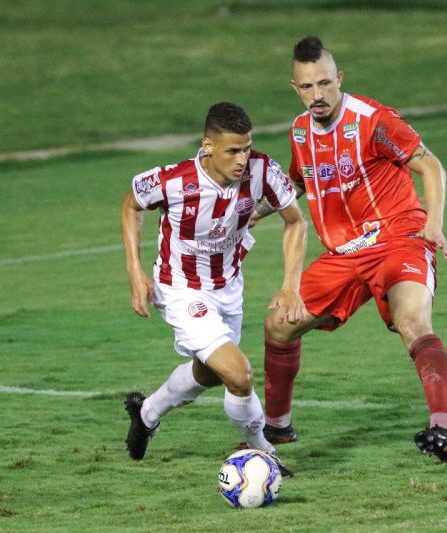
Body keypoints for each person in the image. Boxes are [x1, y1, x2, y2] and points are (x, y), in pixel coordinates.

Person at [251, 37, 447, 462]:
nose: (318, 95)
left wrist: (433, 224)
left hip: (397, 236)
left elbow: (430, 164)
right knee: (278, 324)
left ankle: (442, 429)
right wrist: (257, 210)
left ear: (339, 79)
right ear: (295, 87)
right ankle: (276, 430)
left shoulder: (374, 119)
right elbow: (297, 185)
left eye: (325, 84)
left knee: (412, 321)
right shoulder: (299, 132)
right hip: (344, 254)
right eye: (308, 87)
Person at [121, 102, 307, 475]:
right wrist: (135, 270)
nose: (242, 159)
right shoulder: (175, 180)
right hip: (180, 288)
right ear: (208, 146)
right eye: (233, 151)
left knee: (208, 373)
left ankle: (147, 413)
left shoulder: (262, 170)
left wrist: (290, 284)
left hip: (228, 287)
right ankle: (264, 453)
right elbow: (131, 204)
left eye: (247, 148)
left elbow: (295, 222)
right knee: (238, 375)